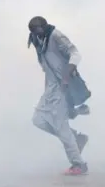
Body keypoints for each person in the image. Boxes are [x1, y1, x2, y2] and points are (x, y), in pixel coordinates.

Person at [28, 16, 89, 176]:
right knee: (38, 120)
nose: (36, 34)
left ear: (44, 27)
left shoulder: (55, 35)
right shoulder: (37, 40)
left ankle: (78, 164)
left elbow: (75, 54)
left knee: (61, 126)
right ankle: (76, 138)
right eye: (33, 32)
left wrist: (67, 75)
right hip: (51, 88)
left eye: (38, 31)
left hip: (63, 87)